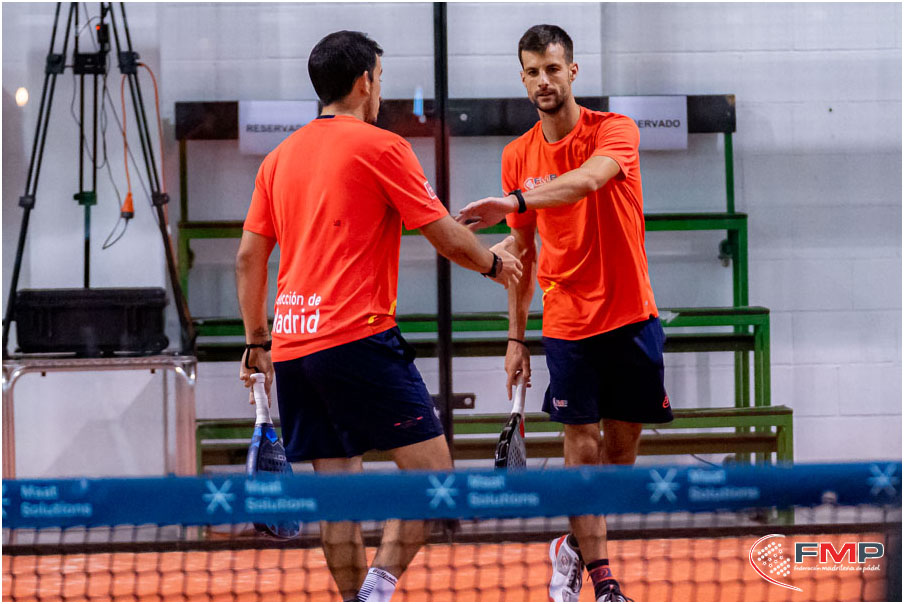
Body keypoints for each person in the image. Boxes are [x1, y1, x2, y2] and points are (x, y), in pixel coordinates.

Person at [236, 30, 522, 602]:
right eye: (381, 79)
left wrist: (257, 343)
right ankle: (376, 590)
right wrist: (495, 265)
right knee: (434, 479)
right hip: (357, 341)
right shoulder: (383, 147)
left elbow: (248, 259)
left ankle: (355, 601)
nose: (381, 90)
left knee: (338, 498)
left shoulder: (277, 159)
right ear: (365, 81)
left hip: (293, 349)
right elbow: (443, 234)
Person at [457, 24, 673, 603]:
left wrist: (516, 200)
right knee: (581, 446)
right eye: (532, 71)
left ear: (572, 71)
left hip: (631, 315)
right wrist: (515, 338)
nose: (543, 81)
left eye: (552, 69)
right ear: (522, 78)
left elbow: (586, 181)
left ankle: (571, 546)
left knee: (620, 455)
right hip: (568, 323)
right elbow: (522, 253)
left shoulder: (615, 130)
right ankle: (604, 582)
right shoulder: (516, 155)